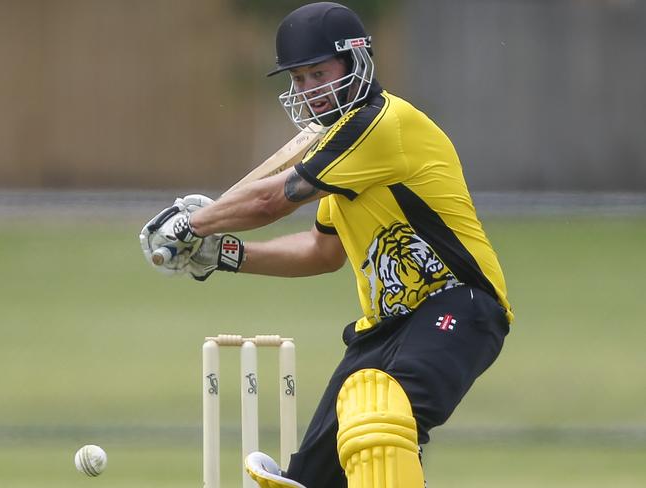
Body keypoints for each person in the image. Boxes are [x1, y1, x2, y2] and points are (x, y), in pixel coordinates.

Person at [141, 2, 513, 487]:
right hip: (382, 329)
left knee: (379, 418)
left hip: (459, 304)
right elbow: (322, 252)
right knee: (317, 476)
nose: (309, 90)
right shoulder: (338, 152)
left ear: (356, 63)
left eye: (318, 73)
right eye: (298, 79)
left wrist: (195, 224)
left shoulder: (380, 124)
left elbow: (273, 200)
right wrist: (226, 254)